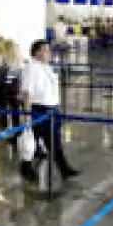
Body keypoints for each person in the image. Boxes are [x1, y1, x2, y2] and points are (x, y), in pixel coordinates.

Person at [20, 39, 78, 182]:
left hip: (52, 109)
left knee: (53, 141)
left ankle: (63, 168)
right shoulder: (31, 67)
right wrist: (27, 115)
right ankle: (26, 168)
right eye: (46, 50)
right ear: (37, 52)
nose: (49, 53)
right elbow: (27, 92)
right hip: (39, 110)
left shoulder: (46, 66)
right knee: (34, 140)